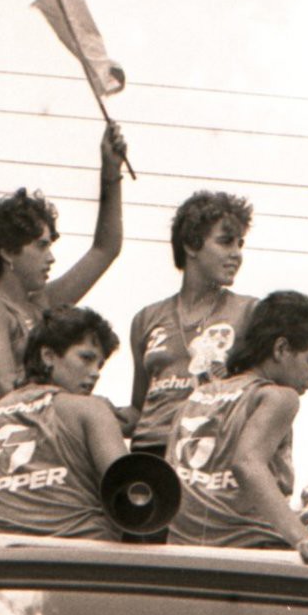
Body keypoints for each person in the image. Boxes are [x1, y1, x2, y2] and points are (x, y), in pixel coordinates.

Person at [166, 289, 308, 565]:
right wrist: (302, 538)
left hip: (182, 551)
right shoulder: (279, 397)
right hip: (251, 553)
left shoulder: (197, 397)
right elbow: (248, 463)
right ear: (281, 349)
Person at [0, 122, 130, 410]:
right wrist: (89, 410)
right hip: (8, 440)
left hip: (48, 428)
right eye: (41, 246)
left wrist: (110, 174)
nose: (51, 257)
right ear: (7, 252)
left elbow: (105, 249)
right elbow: (5, 391)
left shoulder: (42, 304)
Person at [0, 306, 129, 540]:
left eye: (99, 365)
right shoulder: (91, 409)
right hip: (81, 563)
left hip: (1, 564)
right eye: (86, 358)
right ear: (48, 356)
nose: (95, 373)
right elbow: (133, 496)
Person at [128, 189, 257, 455]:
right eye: (225, 242)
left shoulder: (249, 311)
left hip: (207, 448)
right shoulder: (146, 319)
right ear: (190, 245)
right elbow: (137, 410)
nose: (236, 254)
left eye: (239, 244)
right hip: (150, 450)